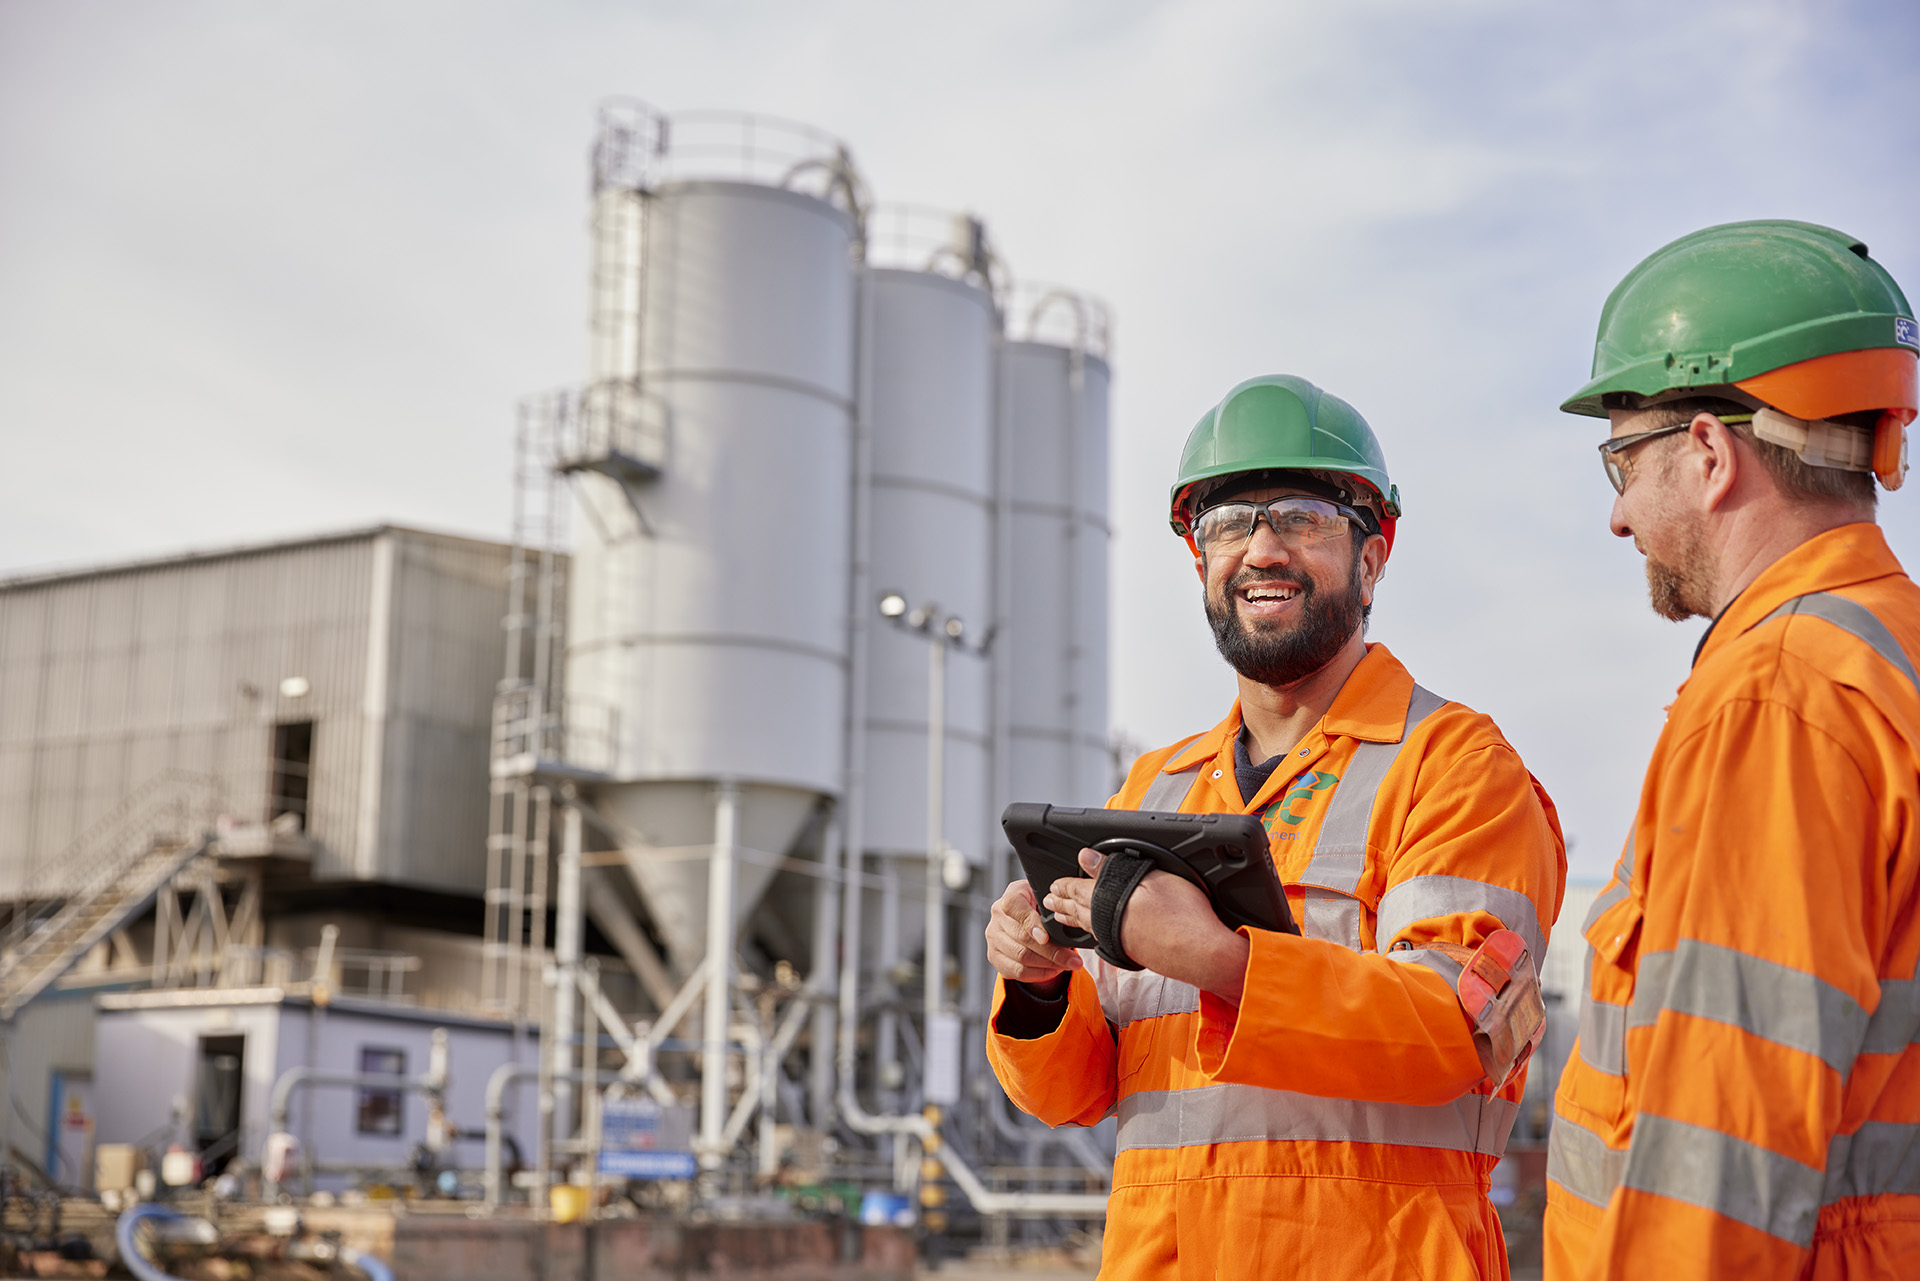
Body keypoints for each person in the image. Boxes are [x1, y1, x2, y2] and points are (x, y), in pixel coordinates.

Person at [984, 374, 1567, 1280]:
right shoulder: (1159, 784)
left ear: (1373, 557)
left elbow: (1458, 1033)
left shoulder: (1456, 768)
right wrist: (1039, 987)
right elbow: (1078, 1094)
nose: (1262, 549)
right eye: (1228, 523)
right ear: (1200, 563)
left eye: (1302, 517)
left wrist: (1223, 959)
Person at [1544, 220, 1920, 1277]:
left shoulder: (1780, 698)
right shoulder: (1889, 654)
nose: (1619, 518)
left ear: (1710, 454)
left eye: (1622, 462)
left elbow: (1716, 1164)